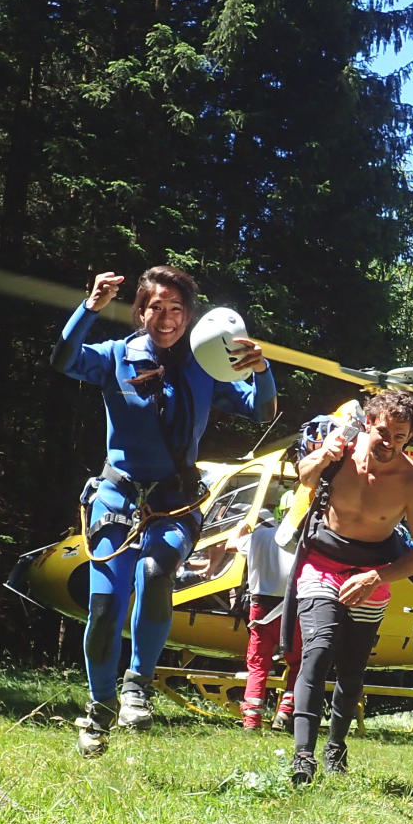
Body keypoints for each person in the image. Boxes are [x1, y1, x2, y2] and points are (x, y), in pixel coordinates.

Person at [52, 266, 276, 756]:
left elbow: (261, 411)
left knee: (157, 572)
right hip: (116, 498)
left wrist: (262, 370)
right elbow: (65, 360)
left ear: (190, 316)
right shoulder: (116, 357)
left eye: (177, 309)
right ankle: (100, 703)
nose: (167, 318)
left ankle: (138, 683)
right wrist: (89, 308)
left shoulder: (203, 367)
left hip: (176, 501)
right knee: (105, 605)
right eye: (156, 307)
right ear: (140, 310)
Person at [287, 391, 413, 784]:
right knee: (317, 654)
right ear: (367, 423)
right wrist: (325, 454)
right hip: (322, 565)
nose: (389, 442)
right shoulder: (340, 454)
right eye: (383, 432)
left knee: (352, 668)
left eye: (400, 436)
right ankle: (303, 756)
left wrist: (377, 577)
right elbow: (304, 476)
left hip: (372, 575)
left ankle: (336, 746)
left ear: (410, 437)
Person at [227, 509, 301, 730]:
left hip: (260, 610)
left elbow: (230, 545)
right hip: (291, 608)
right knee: (298, 662)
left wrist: (240, 529)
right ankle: (285, 713)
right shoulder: (303, 538)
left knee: (258, 665)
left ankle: (251, 720)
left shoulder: (257, 537)